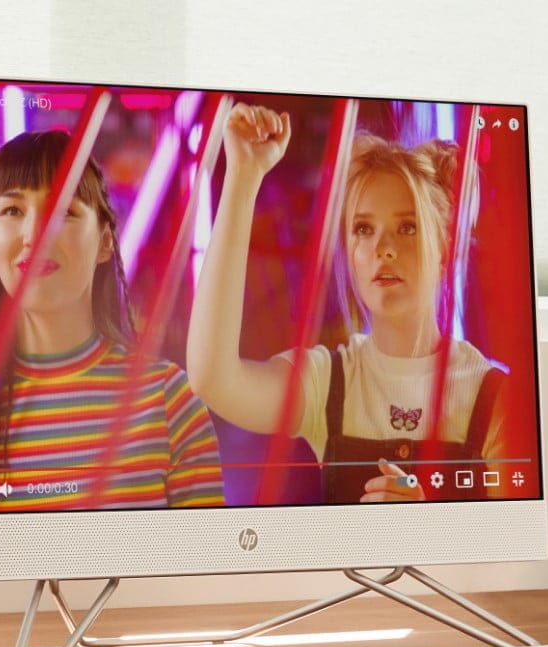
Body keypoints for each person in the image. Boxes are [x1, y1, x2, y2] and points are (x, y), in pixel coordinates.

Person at [187, 103, 506, 503]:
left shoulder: (491, 397)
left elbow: (509, 554)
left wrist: (429, 528)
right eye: (363, 229)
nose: (383, 249)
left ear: (445, 249)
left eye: (407, 228)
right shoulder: (329, 380)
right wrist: (243, 175)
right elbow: (213, 379)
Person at [0, 130, 223, 513]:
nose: (35, 235)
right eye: (12, 211)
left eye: (65, 211)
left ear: (106, 242)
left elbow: (200, 567)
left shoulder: (169, 400)